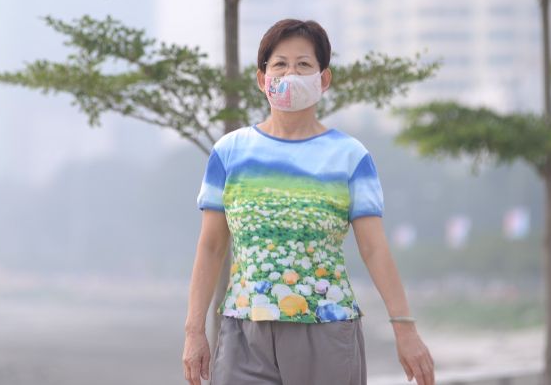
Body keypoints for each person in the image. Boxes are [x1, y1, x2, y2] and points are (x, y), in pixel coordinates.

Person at [182, 19, 435, 385]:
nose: (291, 73)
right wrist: (193, 331)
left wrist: (404, 328)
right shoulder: (230, 152)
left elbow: (374, 248)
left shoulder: (350, 156)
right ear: (261, 78)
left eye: (304, 65)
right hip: (244, 331)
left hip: (326, 327)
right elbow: (211, 246)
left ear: (324, 79)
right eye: (280, 64)